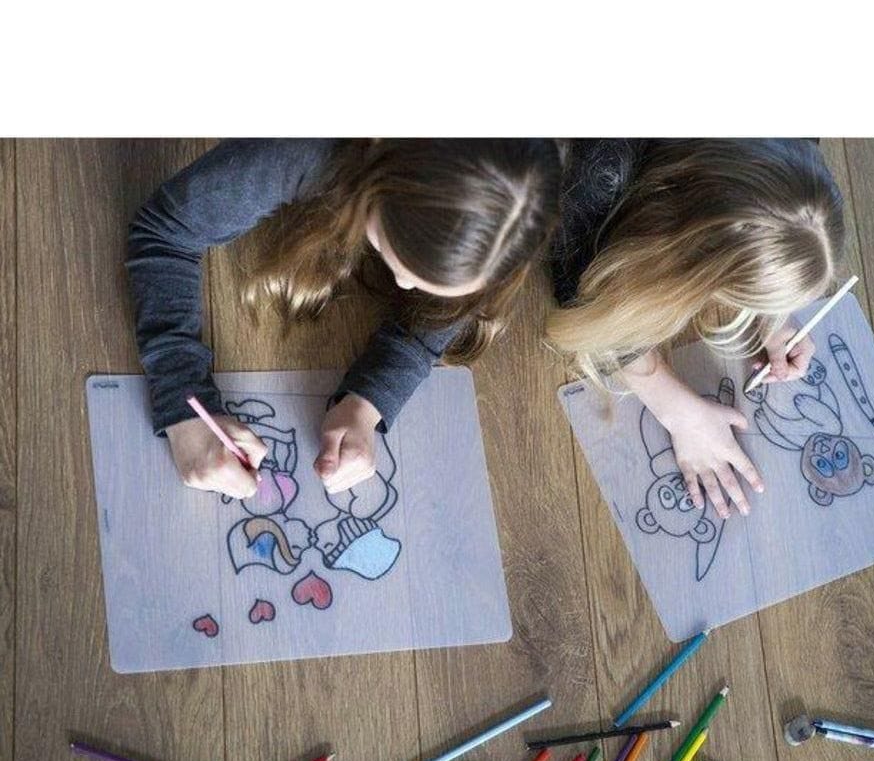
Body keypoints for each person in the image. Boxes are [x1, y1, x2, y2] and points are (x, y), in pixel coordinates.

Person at [127, 138, 563, 498]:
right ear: (375, 181)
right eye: (397, 261)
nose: (404, 287)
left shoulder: (517, 199)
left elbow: (450, 309)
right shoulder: (302, 150)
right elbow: (164, 232)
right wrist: (181, 402)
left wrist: (370, 400)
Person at [547, 138, 845, 519]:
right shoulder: (601, 175)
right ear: (692, 261)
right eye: (742, 293)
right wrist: (677, 411)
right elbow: (585, 304)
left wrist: (774, 315)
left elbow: (777, 213)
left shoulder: (792, 139)